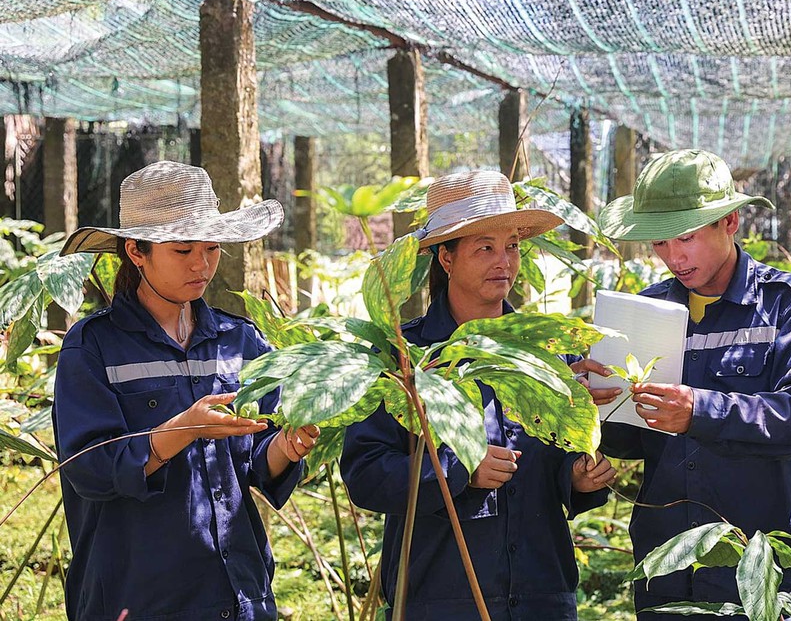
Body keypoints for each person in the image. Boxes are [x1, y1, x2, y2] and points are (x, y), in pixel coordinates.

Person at [574, 149, 791, 617]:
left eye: (686, 238)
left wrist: (700, 410)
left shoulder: (787, 305)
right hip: (671, 561)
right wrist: (590, 405)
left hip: (765, 566)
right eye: (659, 243)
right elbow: (630, 437)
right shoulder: (646, 313)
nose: (673, 257)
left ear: (731, 222)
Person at [340, 170, 615, 621]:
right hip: (438, 599)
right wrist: (457, 470)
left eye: (511, 246)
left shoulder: (548, 350)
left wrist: (578, 477)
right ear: (445, 258)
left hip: (542, 596)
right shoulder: (402, 357)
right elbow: (366, 474)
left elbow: (554, 461)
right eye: (484, 248)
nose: (503, 261)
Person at [53, 160, 320, 621]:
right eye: (182, 250)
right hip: (137, 598)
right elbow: (89, 469)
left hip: (238, 593)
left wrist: (289, 446)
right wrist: (182, 430)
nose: (202, 264)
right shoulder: (93, 345)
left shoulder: (241, 341)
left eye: (213, 247)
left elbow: (258, 462)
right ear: (136, 252)